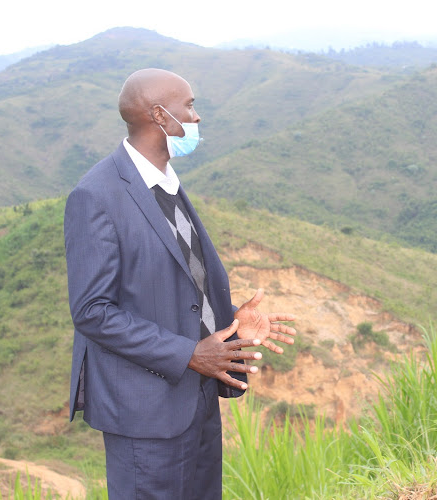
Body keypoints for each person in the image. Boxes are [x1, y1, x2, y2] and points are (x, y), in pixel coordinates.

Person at [64, 68, 296, 500]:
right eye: (189, 106)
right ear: (159, 115)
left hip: (197, 398)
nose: (197, 117)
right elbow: (92, 311)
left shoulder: (165, 185)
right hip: (145, 411)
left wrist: (229, 322)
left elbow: (177, 283)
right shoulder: (96, 195)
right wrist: (188, 354)